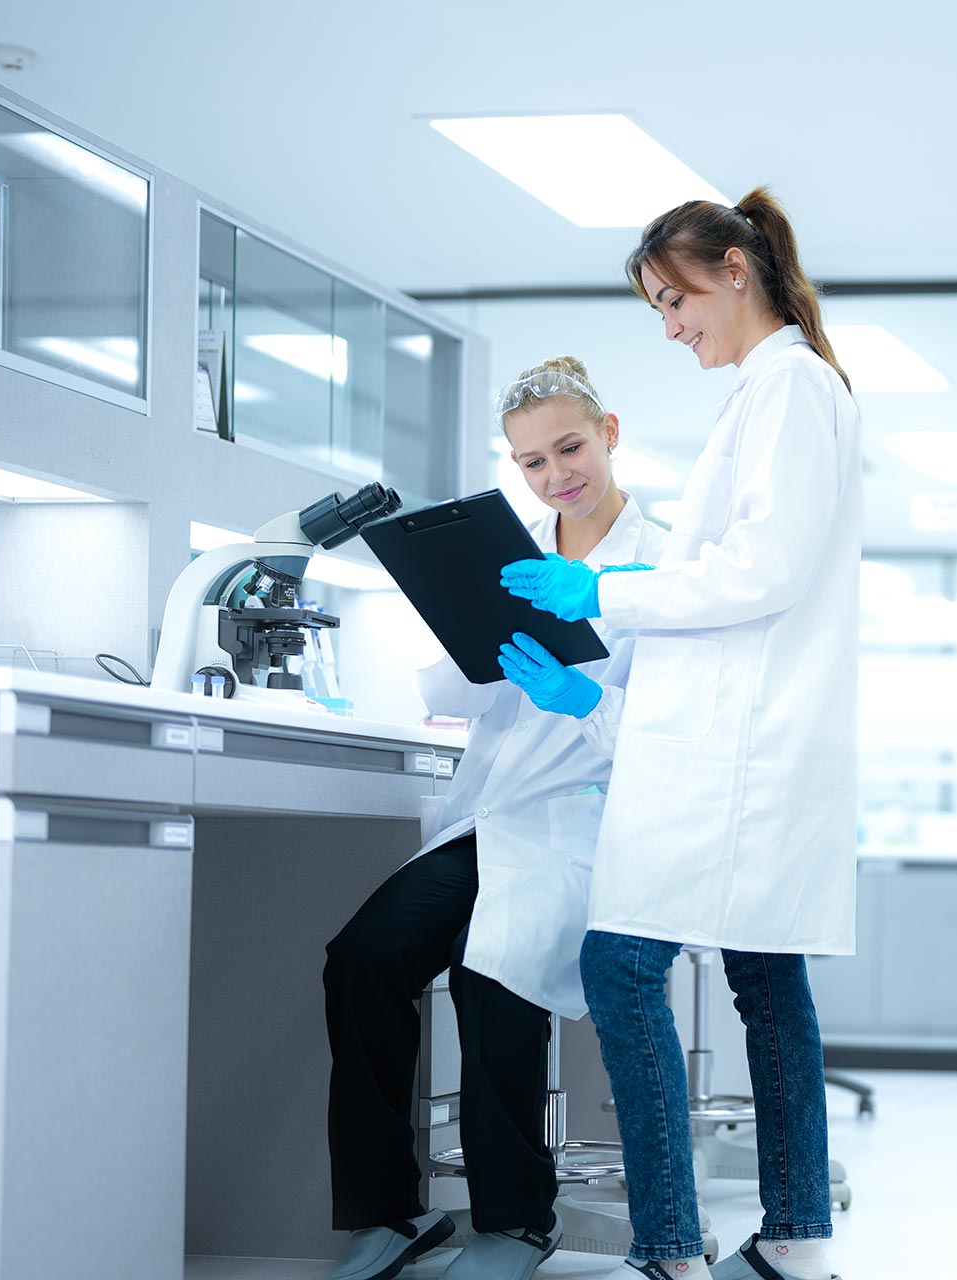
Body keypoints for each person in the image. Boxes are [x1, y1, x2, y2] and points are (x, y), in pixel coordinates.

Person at [502, 187, 858, 1280]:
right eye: (657, 307)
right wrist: (605, 645)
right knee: (764, 976)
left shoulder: (789, 386)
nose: (670, 326)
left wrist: (608, 594)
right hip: (737, 739)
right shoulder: (775, 388)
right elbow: (742, 570)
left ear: (733, 271)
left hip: (733, 754)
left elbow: (764, 569)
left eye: (674, 299)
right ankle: (795, 1234)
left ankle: (668, 1246)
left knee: (619, 966)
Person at [321, 357, 665, 1280]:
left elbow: (671, 737)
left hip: (585, 821)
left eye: (571, 447)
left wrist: (574, 699)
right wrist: (467, 624)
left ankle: (515, 1222)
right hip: (494, 814)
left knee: (494, 973)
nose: (558, 475)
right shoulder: (518, 552)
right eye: (533, 462)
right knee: (364, 956)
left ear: (610, 434)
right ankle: (387, 1213)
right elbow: (460, 692)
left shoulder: (664, 567)